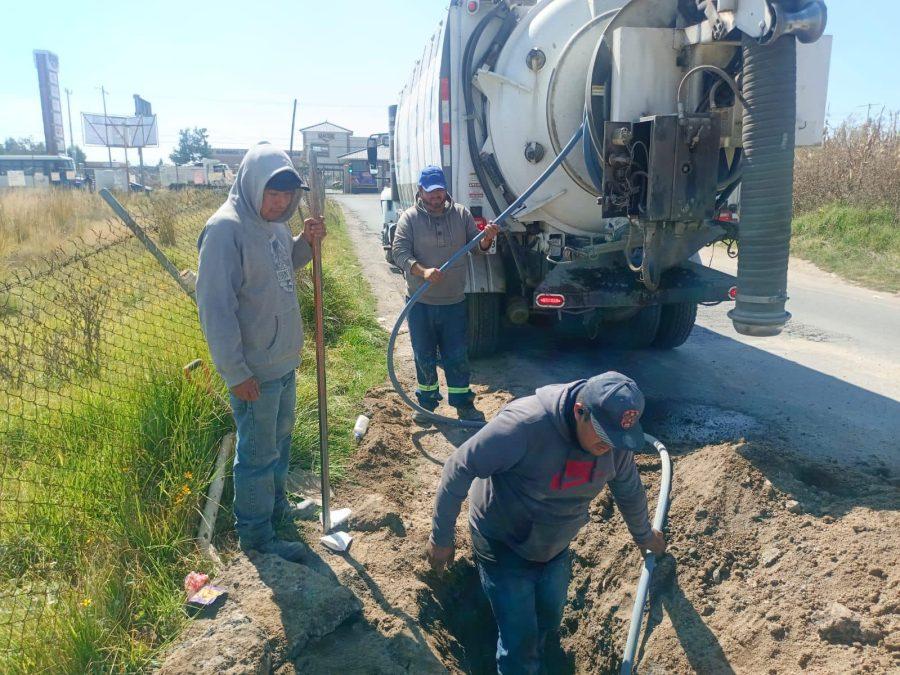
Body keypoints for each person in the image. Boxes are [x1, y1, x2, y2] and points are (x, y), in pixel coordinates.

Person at [427, 371, 666, 674]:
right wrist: (441, 537)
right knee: (518, 642)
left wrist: (645, 536)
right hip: (503, 541)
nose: (610, 446)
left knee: (549, 619)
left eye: (617, 439)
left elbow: (629, 489)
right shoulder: (524, 426)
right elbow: (459, 467)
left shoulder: (614, 443)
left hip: (554, 544)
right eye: (604, 436)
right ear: (581, 411)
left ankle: (537, 659)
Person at [196, 142, 326, 562]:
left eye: (288, 195)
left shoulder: (272, 225)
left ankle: (277, 510)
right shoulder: (225, 231)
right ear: (253, 186)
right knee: (257, 453)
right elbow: (216, 309)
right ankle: (257, 537)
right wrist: (235, 372)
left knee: (281, 443)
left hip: (283, 361)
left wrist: (305, 242)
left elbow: (285, 263)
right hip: (254, 371)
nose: (282, 202)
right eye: (274, 194)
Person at [391, 165, 500, 422]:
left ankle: (463, 403)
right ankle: (427, 404)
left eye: (439, 192)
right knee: (424, 354)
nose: (435, 197)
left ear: (445, 190)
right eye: (430, 193)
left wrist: (487, 238)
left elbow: (478, 247)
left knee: (456, 354)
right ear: (420, 192)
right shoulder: (409, 218)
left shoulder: (460, 214)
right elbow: (399, 252)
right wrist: (423, 271)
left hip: (454, 302)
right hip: (421, 302)